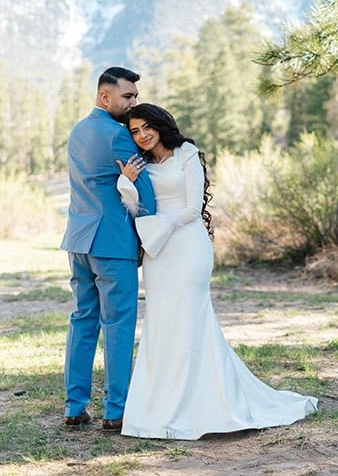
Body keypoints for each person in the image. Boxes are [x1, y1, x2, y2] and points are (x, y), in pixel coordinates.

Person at [115, 103, 317, 439]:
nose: (142, 135)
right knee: (162, 324)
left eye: (146, 127)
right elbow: (135, 209)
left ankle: (203, 405)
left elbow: (193, 207)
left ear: (161, 125)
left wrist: (162, 227)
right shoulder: (142, 165)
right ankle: (159, 408)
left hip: (188, 246)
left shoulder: (185, 153)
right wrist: (127, 181)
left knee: (192, 322)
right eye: (135, 131)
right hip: (158, 253)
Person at [60, 67, 156, 432]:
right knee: (118, 324)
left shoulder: (78, 130)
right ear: (105, 97)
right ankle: (116, 410)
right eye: (128, 97)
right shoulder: (118, 136)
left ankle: (74, 406)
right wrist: (151, 231)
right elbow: (143, 191)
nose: (134, 102)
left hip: (79, 240)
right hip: (112, 243)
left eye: (135, 96)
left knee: (83, 321)